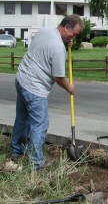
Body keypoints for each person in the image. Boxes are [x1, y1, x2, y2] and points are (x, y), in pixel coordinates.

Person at [11, 14, 84, 170]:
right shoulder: (58, 48)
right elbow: (58, 77)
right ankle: (36, 163)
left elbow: (45, 47)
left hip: (21, 79)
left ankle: (16, 153)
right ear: (66, 28)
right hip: (35, 89)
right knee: (40, 124)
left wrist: (67, 40)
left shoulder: (45, 31)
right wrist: (68, 87)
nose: (75, 37)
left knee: (22, 119)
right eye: (74, 34)